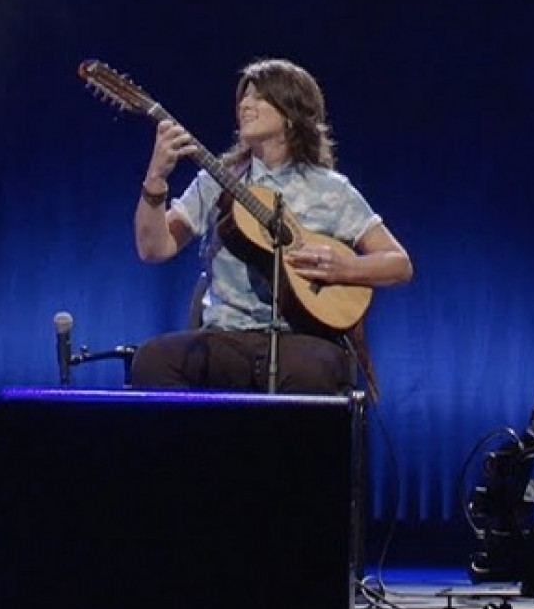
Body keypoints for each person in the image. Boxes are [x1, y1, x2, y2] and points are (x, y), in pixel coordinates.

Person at [130, 58, 413, 394]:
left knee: (313, 372)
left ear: (291, 114)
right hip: (225, 337)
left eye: (259, 97)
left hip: (300, 339)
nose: (245, 104)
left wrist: (344, 267)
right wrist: (156, 178)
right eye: (243, 97)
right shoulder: (217, 180)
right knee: (152, 362)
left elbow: (399, 264)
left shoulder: (331, 190)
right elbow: (154, 249)